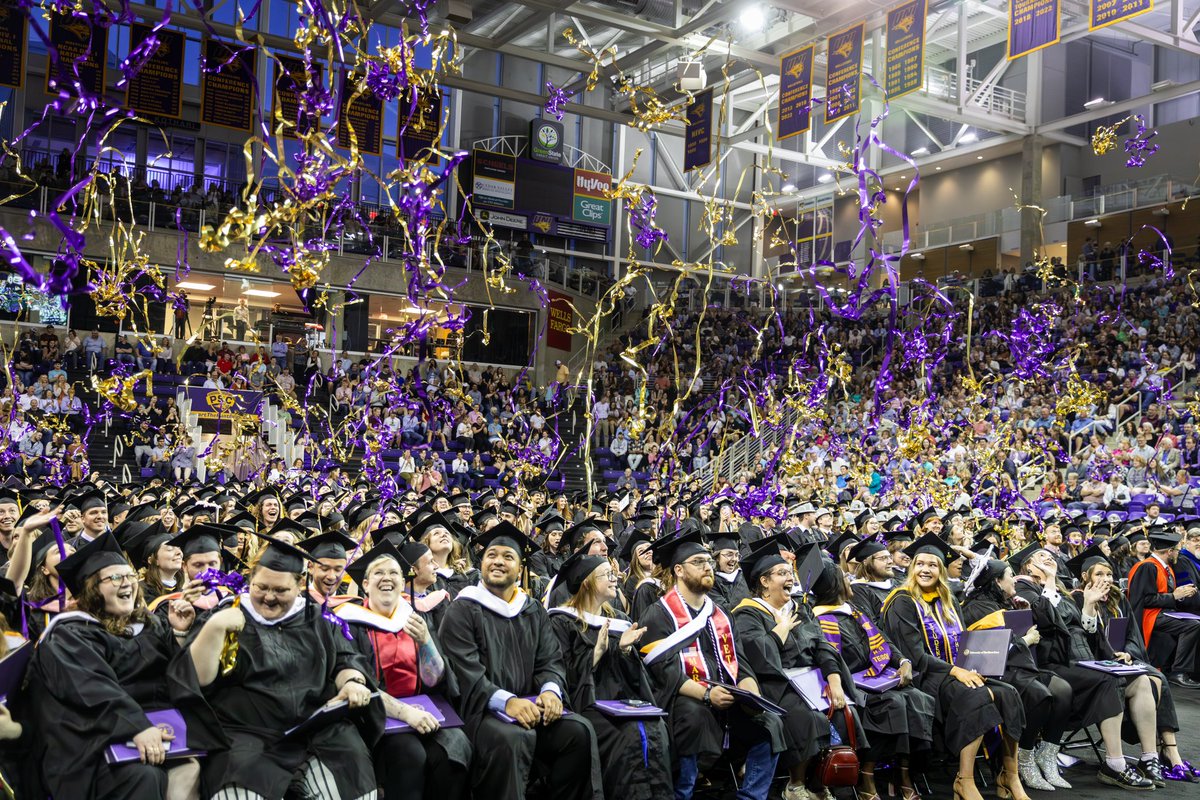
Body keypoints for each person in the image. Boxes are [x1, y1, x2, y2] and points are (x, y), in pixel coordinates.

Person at [175, 531, 383, 800]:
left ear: (299, 585)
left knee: (351, 774)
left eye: (281, 590)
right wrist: (214, 629)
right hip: (246, 734)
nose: (269, 597)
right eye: (261, 587)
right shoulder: (228, 615)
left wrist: (352, 682)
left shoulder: (317, 618)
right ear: (251, 580)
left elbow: (345, 659)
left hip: (315, 730)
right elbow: (196, 677)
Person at [25, 532, 204, 800]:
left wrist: (179, 634)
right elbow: (93, 689)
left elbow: (172, 678)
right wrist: (136, 727)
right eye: (115, 578)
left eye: (130, 576)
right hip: (92, 744)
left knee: (201, 763)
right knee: (145, 777)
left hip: (152, 729)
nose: (127, 584)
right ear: (91, 589)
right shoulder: (69, 634)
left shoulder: (149, 623)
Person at [437, 522, 602, 800]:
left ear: (520, 567)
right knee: (512, 738)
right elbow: (466, 673)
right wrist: (507, 702)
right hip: (481, 712)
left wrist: (550, 690)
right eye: (491, 555)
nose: (498, 562)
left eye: (507, 556)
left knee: (578, 731)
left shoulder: (532, 608)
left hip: (530, 704)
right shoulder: (463, 608)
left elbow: (550, 658)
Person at [880, 534, 1028, 800]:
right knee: (976, 695)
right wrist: (956, 670)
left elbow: (964, 644)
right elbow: (914, 655)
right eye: (920, 564)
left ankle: (1010, 775)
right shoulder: (902, 601)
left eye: (933, 565)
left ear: (941, 570)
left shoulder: (947, 599)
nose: (926, 570)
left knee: (1009, 693)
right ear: (912, 568)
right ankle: (965, 780)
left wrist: (975, 665)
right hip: (925, 676)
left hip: (957, 672)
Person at [639, 530, 783, 800]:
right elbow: (663, 669)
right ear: (679, 570)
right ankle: (682, 793)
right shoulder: (659, 613)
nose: (707, 566)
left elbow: (738, 658)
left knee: (768, 723)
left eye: (708, 560)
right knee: (694, 716)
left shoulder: (719, 613)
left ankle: (751, 796)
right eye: (698, 562)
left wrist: (749, 689)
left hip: (726, 696)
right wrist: (705, 694)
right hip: (684, 699)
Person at [340, 540, 471, 800]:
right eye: (378, 573)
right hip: (375, 718)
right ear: (365, 584)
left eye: (394, 574)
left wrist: (426, 642)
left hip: (421, 708)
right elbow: (359, 681)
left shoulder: (413, 619)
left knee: (455, 748)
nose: (386, 578)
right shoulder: (350, 624)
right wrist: (406, 714)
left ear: (402, 583)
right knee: (409, 753)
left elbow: (435, 679)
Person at [548, 550, 673, 800]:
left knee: (655, 726)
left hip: (622, 703)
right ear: (587, 582)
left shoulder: (620, 620)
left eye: (614, 573)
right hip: (585, 705)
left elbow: (635, 679)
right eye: (607, 574)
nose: (615, 578)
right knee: (628, 734)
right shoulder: (561, 622)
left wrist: (625, 651)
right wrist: (595, 654)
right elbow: (557, 672)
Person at [811, 556, 936, 800]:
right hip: (853, 685)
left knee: (918, 699)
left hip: (878, 679)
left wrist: (903, 662)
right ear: (835, 586)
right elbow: (831, 662)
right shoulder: (821, 620)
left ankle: (901, 774)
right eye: (843, 578)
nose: (849, 580)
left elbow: (883, 639)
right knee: (894, 704)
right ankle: (866, 778)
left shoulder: (854, 612)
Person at [1070, 547, 1197, 784]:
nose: (1106, 579)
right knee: (1152, 678)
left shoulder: (1118, 600)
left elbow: (1133, 636)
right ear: (1085, 576)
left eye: (1109, 574)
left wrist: (1128, 654)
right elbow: (1079, 643)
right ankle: (1166, 751)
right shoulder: (1075, 600)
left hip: (1122, 661)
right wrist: (1089, 606)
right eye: (1099, 574)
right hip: (1093, 667)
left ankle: (1158, 754)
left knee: (1156, 678)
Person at [961, 555, 1072, 792]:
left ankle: (1046, 756)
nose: (1015, 580)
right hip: (995, 672)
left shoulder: (1006, 602)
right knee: (1040, 695)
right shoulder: (978, 607)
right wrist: (1025, 639)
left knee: (1063, 690)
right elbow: (986, 651)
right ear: (997, 582)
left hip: (1018, 667)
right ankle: (1023, 759)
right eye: (1010, 576)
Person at [1126, 528, 1200, 688]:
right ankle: (1178, 672)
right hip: (1148, 616)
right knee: (1192, 626)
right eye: (1177, 552)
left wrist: (1182, 594)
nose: (1178, 555)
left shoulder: (1163, 567)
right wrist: (1174, 596)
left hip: (1163, 612)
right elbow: (1144, 599)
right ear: (1169, 551)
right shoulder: (1147, 567)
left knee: (1194, 620)